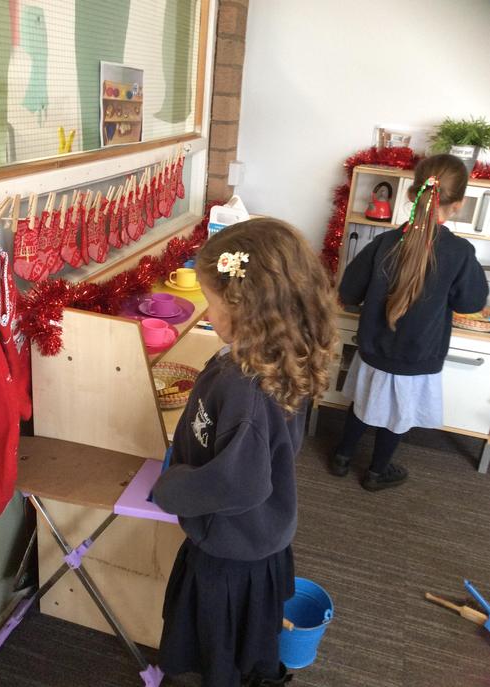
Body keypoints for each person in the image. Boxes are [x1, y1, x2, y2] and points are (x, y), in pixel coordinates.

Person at [153, 218, 337, 687]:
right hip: (249, 541)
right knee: (241, 644)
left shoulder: (247, 389)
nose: (208, 313)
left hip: (232, 551)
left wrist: (173, 488)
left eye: (212, 303)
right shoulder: (266, 356)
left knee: (220, 651)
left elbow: (242, 482)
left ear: (245, 308)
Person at [331, 153, 489, 491]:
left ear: (410, 193)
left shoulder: (384, 242)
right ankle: (377, 472)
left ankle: (342, 457)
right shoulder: (459, 252)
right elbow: (472, 302)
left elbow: (348, 291)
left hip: (374, 352)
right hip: (417, 359)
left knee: (362, 403)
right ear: (459, 204)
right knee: (398, 416)